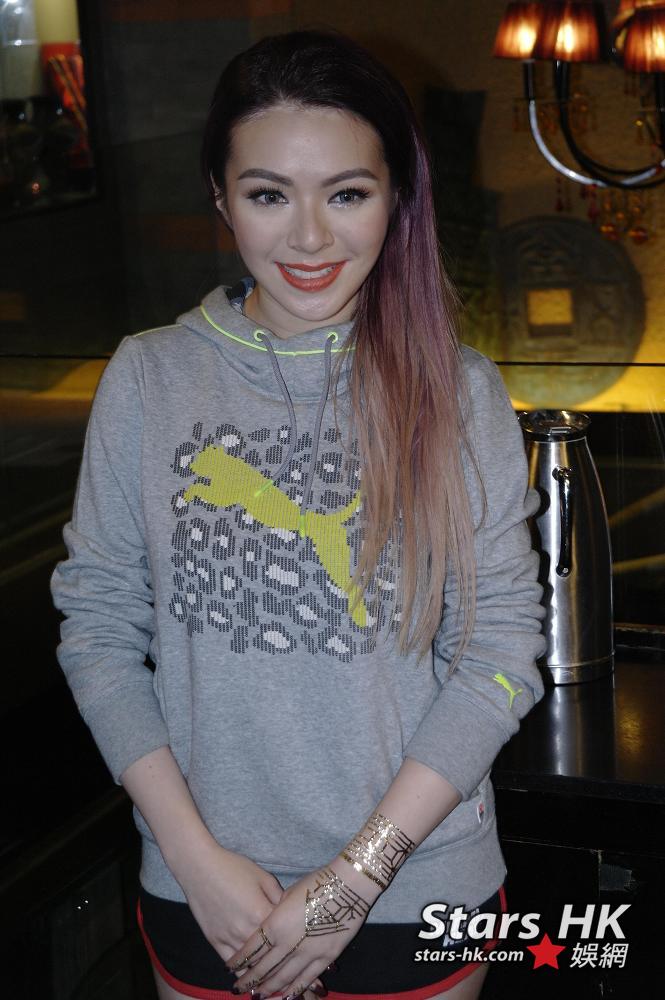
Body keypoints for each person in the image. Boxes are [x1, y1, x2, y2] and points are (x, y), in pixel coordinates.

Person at [50, 28, 547, 1000]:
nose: (309, 239)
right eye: (269, 194)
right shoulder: (150, 377)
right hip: (206, 890)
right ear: (220, 196)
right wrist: (191, 855)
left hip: (413, 888)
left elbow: (496, 651)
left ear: (396, 196)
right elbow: (98, 628)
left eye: (347, 193)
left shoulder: (459, 390)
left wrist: (355, 877)